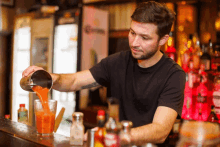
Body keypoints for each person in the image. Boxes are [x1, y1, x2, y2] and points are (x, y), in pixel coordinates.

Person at [22, 1, 186, 146]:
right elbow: (74, 81)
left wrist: (114, 135)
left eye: (144, 37)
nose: (135, 43)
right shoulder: (117, 62)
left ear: (163, 40)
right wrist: (51, 77)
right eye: (132, 33)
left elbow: (160, 130)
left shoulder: (173, 75)